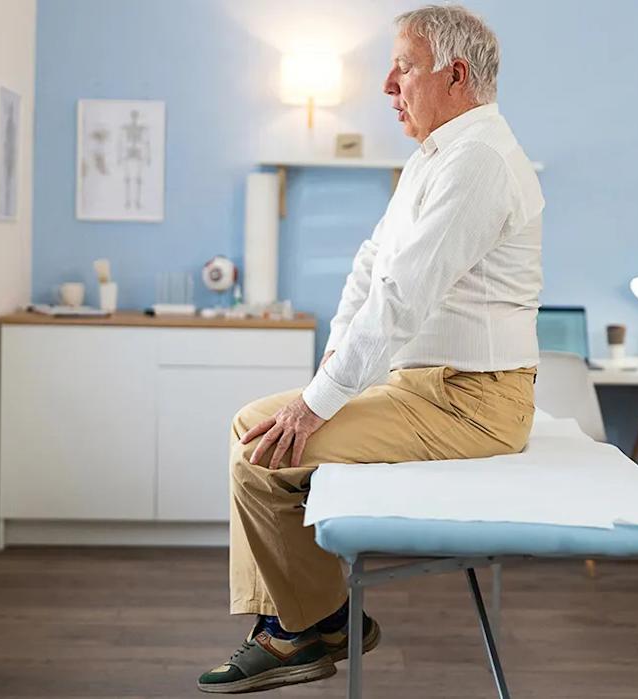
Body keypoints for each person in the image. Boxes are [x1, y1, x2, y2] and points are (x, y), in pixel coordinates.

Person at [198, 4, 544, 693]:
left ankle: (296, 632)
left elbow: (402, 296)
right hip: (428, 387)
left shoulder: (478, 159)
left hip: (472, 401)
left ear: (455, 74)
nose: (388, 85)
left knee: (261, 448)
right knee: (253, 425)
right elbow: (370, 268)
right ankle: (324, 620)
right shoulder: (436, 157)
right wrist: (326, 378)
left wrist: (316, 406)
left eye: (404, 67)